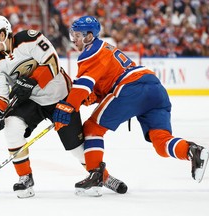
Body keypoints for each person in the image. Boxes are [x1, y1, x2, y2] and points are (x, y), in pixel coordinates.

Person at [53, 15, 209, 196]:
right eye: (74, 34)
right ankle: (191, 151)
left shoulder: (91, 52)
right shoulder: (105, 49)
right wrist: (90, 98)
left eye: (78, 35)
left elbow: (84, 85)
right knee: (161, 141)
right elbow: (99, 87)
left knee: (92, 128)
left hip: (131, 87)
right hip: (155, 89)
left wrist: (68, 105)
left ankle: (95, 175)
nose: (75, 39)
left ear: (89, 36)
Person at [0, 15, 126, 198]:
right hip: (32, 101)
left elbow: (52, 62)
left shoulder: (30, 38)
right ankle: (24, 178)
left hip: (61, 97)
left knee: (76, 149)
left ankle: (102, 177)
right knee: (11, 126)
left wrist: (31, 81)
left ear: (2, 34)